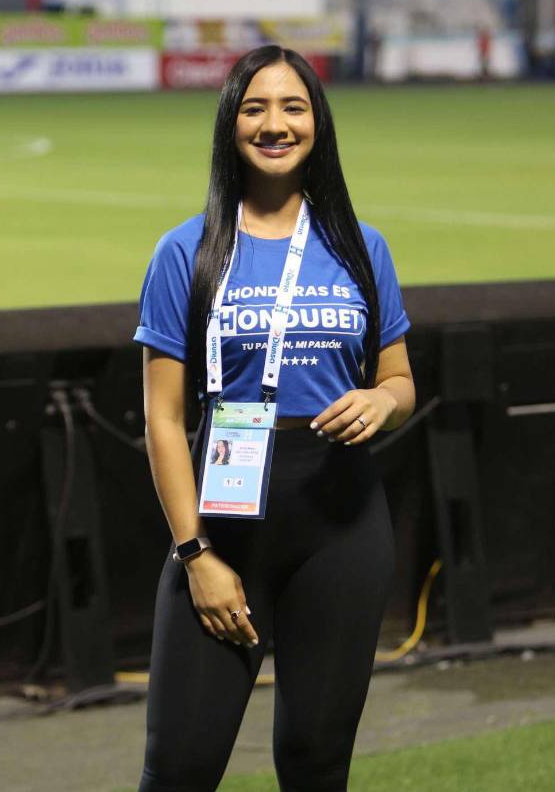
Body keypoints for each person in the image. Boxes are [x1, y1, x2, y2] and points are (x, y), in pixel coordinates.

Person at [132, 44, 416, 791]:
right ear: (231, 125)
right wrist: (197, 558)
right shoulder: (183, 251)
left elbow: (399, 379)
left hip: (340, 517)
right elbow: (162, 420)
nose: (274, 124)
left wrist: (382, 400)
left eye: (292, 107)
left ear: (316, 123)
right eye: (254, 108)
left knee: (316, 761)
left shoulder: (361, 245)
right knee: (179, 769)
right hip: (222, 517)